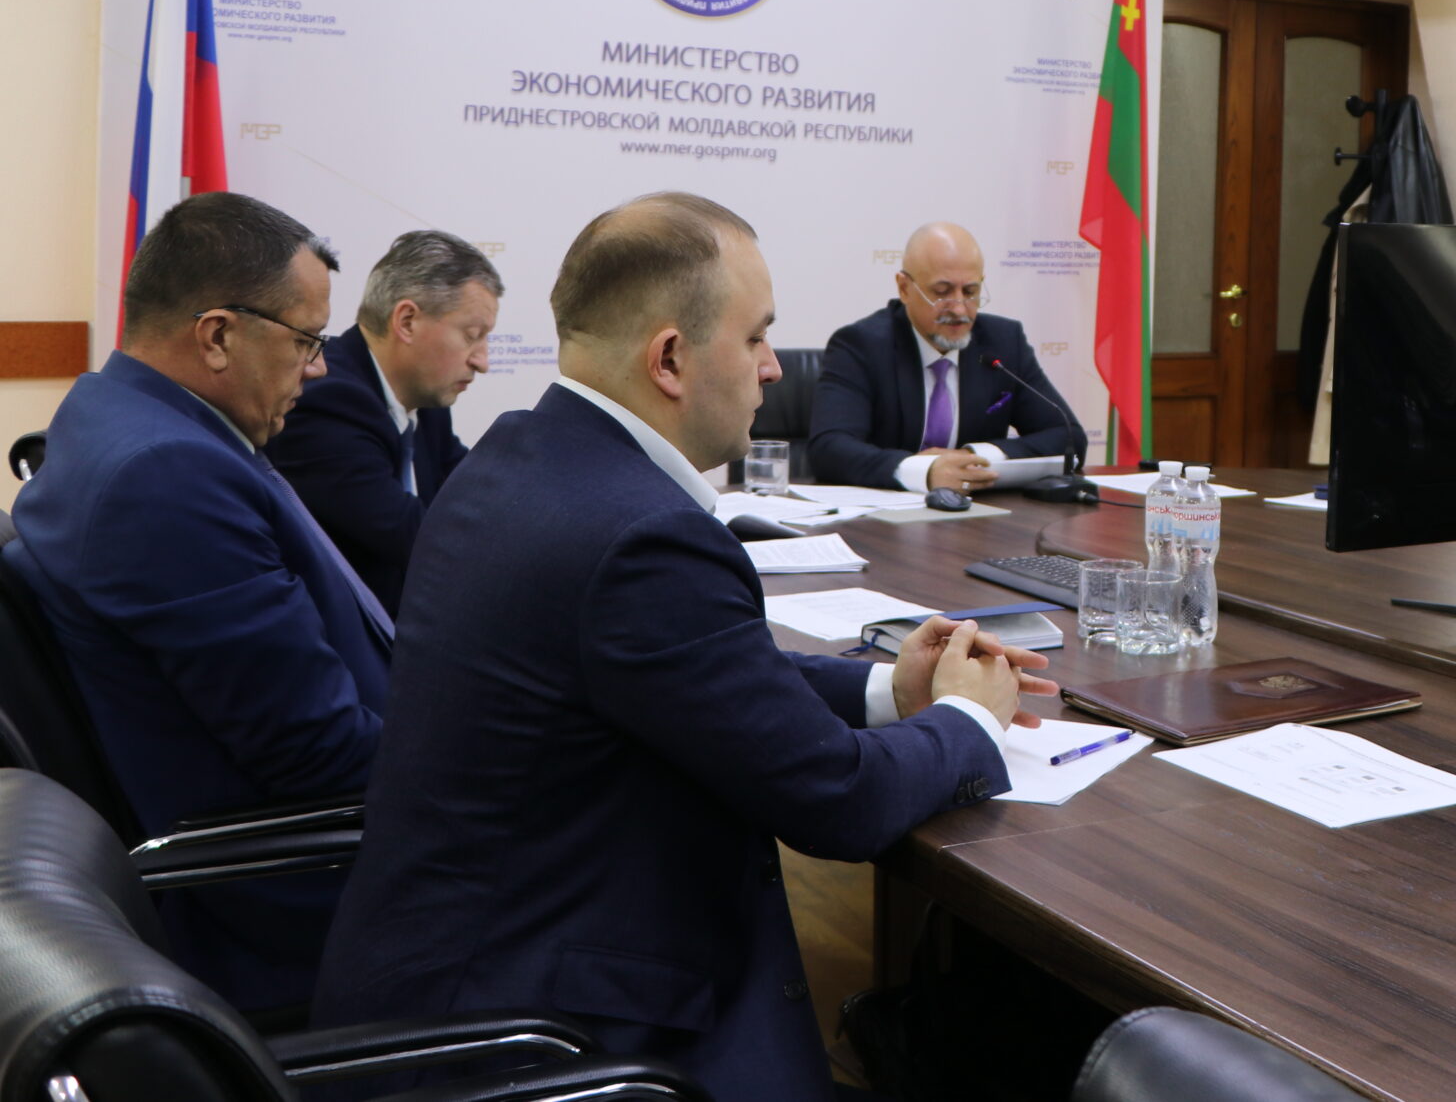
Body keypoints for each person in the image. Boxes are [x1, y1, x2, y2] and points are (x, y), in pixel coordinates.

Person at [311, 193, 1052, 1102]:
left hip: (451, 960)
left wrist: (887, 690)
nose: (774, 367)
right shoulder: (642, 537)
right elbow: (838, 799)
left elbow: (690, 674)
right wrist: (970, 718)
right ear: (668, 358)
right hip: (537, 1033)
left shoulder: (519, 454)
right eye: (757, 337)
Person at [3, 192, 390, 1011]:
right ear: (217, 335)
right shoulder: (166, 475)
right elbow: (320, 754)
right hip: (307, 891)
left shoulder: (114, 414)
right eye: (307, 340)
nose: (319, 368)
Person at [267, 230, 501, 613]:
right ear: (407, 321)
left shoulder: (427, 397)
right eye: (472, 336)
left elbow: (477, 489)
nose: (483, 361)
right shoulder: (326, 402)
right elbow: (422, 542)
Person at [809, 220, 1082, 491]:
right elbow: (829, 448)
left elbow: (1069, 437)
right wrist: (925, 471)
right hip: (887, 511)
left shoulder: (1003, 342)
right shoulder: (860, 346)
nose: (960, 309)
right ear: (904, 288)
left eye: (971, 292)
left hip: (978, 510)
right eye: (942, 292)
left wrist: (974, 456)